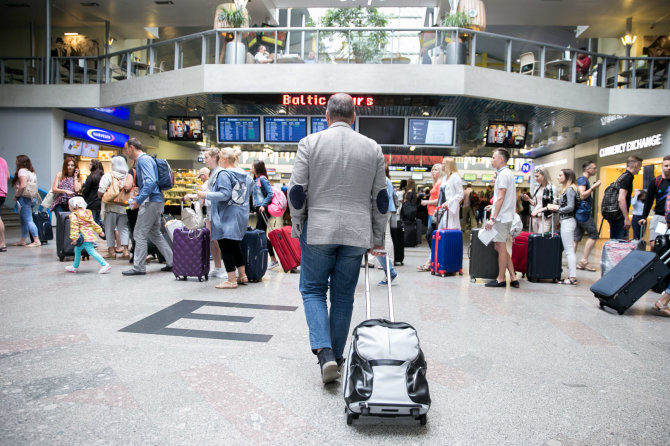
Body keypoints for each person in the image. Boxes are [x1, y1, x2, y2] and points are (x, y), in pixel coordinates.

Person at [288, 93, 387, 384]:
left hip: (318, 228)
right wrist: (378, 236)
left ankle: (325, 354)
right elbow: (381, 198)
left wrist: (298, 225)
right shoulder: (373, 148)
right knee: (343, 296)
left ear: (327, 116)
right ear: (353, 117)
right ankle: (337, 357)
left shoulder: (309, 143)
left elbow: (296, 191)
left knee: (313, 290)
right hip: (356, 233)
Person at [197, 147, 252, 289]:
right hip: (241, 214)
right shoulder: (245, 174)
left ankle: (231, 280)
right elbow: (250, 190)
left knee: (225, 246)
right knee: (235, 245)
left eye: (220, 157)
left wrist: (205, 195)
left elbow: (224, 194)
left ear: (224, 159)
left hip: (226, 215)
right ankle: (242, 275)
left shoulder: (224, 174)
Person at [122, 138, 173, 276]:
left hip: (150, 202)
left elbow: (150, 181)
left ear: (131, 147)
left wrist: (139, 199)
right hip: (156, 200)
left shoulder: (143, 160)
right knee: (155, 233)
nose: (125, 152)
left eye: (125, 149)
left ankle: (138, 267)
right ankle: (172, 261)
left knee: (139, 233)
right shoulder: (147, 159)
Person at [484, 149, 519, 288]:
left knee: (501, 246)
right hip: (505, 215)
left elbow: (500, 198)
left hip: (502, 218)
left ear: (501, 160)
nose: (491, 160)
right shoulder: (507, 174)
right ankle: (513, 276)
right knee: (499, 246)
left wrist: (493, 217)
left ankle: (500, 278)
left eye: (493, 157)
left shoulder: (503, 175)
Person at [190, 148, 225, 278]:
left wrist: (205, 195)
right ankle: (218, 267)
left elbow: (223, 194)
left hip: (218, 210)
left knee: (218, 240)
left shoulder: (220, 173)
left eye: (206, 157)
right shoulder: (213, 172)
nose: (205, 160)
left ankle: (223, 268)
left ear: (215, 157)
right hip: (212, 210)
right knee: (212, 239)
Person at [547, 169, 579, 285]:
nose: (558, 177)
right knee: (569, 250)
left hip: (568, 221)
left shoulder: (570, 189)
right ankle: (572, 276)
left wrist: (557, 209)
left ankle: (572, 277)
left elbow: (570, 207)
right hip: (567, 221)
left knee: (569, 251)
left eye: (560, 175)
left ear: (567, 177)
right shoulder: (570, 189)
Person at [64, 196, 111, 274]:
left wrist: (74, 238)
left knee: (91, 251)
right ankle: (75, 266)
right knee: (77, 249)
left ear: (74, 206)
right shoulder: (87, 213)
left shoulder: (74, 215)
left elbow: (74, 227)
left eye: (69, 205)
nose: (69, 207)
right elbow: (93, 223)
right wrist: (99, 231)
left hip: (82, 237)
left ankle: (105, 264)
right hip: (89, 235)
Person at [98, 156, 130, 259]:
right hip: (124, 207)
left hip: (110, 207)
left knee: (109, 229)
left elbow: (101, 192)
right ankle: (125, 251)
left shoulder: (108, 176)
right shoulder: (128, 177)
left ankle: (111, 251)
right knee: (124, 229)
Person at [250, 160, 280, 269]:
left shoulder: (262, 179)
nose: (250, 167)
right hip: (259, 209)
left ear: (257, 168)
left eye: (252, 166)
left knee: (261, 234)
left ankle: (273, 259)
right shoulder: (256, 179)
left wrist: (263, 205)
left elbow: (270, 193)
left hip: (264, 209)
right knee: (260, 233)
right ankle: (268, 258)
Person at [607, 155, 643, 240]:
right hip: (619, 216)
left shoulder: (623, 176)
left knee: (619, 242)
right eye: (640, 166)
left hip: (616, 215)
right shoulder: (628, 177)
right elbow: (621, 198)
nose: (640, 169)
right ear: (636, 165)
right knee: (617, 244)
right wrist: (626, 218)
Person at [574, 161, 601, 272]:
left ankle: (575, 262)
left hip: (579, 213)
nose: (595, 170)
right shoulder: (582, 180)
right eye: (594, 168)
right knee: (594, 234)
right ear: (587, 169)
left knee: (576, 237)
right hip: (583, 213)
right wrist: (593, 187)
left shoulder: (582, 180)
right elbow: (582, 195)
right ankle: (584, 260)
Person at [639, 155, 670, 249]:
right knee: (655, 244)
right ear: (662, 166)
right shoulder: (656, 181)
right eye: (666, 165)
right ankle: (653, 263)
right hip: (660, 218)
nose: (669, 168)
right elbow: (648, 201)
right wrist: (644, 217)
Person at [417, 164, 444, 271]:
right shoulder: (436, 183)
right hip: (431, 213)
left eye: (436, 170)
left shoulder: (440, 184)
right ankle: (432, 260)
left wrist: (427, 202)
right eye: (432, 169)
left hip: (435, 214)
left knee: (431, 237)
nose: (433, 171)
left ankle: (430, 262)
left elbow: (440, 200)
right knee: (431, 238)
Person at [11, 155, 41, 248]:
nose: (15, 162)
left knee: (28, 220)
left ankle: (36, 240)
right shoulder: (32, 172)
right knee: (23, 220)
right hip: (32, 198)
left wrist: (16, 196)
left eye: (17, 161)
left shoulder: (21, 171)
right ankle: (23, 240)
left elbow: (23, 185)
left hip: (24, 198)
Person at [376, 165, 398, 286]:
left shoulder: (382, 179)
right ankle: (390, 270)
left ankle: (390, 270)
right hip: (384, 211)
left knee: (377, 243)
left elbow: (381, 198)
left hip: (382, 212)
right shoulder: (385, 179)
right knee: (378, 242)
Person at [523, 167, 557, 233]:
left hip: (545, 216)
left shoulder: (551, 188)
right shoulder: (537, 188)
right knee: (536, 237)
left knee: (542, 237)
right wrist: (529, 199)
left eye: (537, 176)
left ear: (544, 175)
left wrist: (539, 210)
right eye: (535, 176)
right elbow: (535, 203)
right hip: (535, 216)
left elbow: (553, 205)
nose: (535, 178)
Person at [436, 157, 464, 230]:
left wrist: (449, 202)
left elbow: (460, 194)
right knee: (441, 231)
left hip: (451, 209)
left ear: (447, 165)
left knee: (446, 230)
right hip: (443, 210)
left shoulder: (455, 177)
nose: (441, 165)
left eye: (443, 163)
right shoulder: (445, 178)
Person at [82, 159, 104, 226]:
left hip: (91, 203)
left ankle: (93, 236)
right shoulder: (103, 176)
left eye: (90, 164)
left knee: (91, 224)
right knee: (98, 224)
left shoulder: (91, 177)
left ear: (94, 166)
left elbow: (86, 191)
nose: (89, 166)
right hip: (100, 203)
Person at [0, 155, 8, 252]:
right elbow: (7, 175)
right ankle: (2, 243)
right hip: (3, 193)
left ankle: (2, 243)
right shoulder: (3, 161)